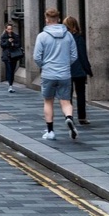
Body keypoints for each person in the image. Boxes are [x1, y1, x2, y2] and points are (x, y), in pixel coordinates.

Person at [33, 8, 79, 141]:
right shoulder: (68, 35)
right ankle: (69, 118)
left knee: (48, 102)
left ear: (47, 20)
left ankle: (50, 131)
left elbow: (37, 56)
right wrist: (64, 64)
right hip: (65, 74)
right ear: (58, 19)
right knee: (66, 101)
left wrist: (45, 66)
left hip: (48, 74)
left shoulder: (42, 36)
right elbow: (74, 55)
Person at [64, 16, 94, 125]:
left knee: (68, 95)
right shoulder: (78, 38)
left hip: (66, 70)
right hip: (79, 70)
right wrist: (88, 70)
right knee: (81, 94)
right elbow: (82, 55)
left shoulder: (64, 39)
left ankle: (69, 117)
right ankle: (82, 118)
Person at [0, 23, 23, 92]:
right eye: (8, 29)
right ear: (6, 29)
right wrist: (8, 41)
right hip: (7, 56)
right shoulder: (3, 36)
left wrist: (13, 44)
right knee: (9, 69)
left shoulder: (15, 36)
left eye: (11, 29)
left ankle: (11, 83)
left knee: (12, 70)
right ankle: (10, 85)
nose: (10, 30)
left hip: (14, 55)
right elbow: (2, 45)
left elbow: (18, 44)